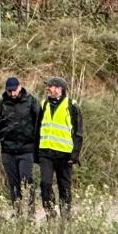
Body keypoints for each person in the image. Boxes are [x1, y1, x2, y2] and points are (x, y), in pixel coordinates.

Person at [0, 76, 40, 214]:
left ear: (20, 87)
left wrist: (38, 147)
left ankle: (30, 212)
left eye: (14, 90)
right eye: (9, 91)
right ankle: (17, 212)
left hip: (26, 149)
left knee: (26, 180)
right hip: (7, 150)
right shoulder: (3, 104)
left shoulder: (31, 101)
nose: (12, 94)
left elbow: (39, 124)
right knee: (13, 183)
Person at [36, 77, 83, 218]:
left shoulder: (71, 106)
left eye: (50, 86)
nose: (48, 89)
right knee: (45, 184)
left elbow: (78, 132)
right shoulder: (43, 105)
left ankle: (66, 216)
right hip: (46, 153)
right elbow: (38, 129)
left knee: (65, 187)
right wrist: (35, 152)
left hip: (65, 155)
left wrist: (75, 155)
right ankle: (50, 212)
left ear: (59, 89)